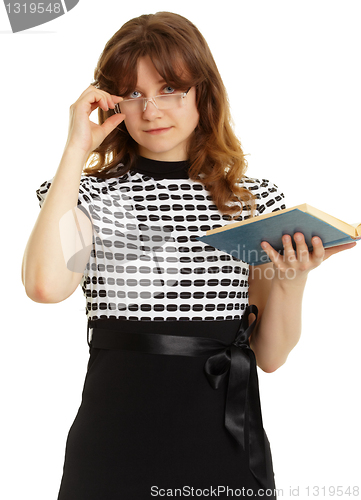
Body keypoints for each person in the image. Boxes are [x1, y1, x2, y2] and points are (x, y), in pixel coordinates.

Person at [22, 11, 356, 500]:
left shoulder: (251, 201)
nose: (151, 110)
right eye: (132, 94)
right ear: (111, 103)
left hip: (222, 441)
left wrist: (292, 278)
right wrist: (76, 146)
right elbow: (46, 286)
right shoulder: (90, 196)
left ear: (204, 92)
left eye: (170, 89)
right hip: (114, 446)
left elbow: (270, 355)